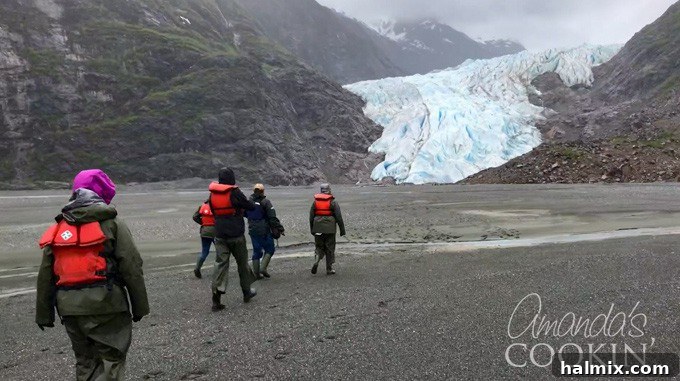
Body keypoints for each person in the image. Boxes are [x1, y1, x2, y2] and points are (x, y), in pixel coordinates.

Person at [35, 169, 149, 381]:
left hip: (69, 308)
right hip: (106, 304)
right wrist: (140, 306)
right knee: (112, 358)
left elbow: (45, 274)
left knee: (86, 361)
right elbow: (131, 266)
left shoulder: (59, 227)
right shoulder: (113, 224)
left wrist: (44, 314)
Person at [208, 168, 258, 311]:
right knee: (242, 264)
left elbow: (212, 209)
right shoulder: (234, 192)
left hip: (220, 235)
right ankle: (246, 292)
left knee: (220, 265)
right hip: (236, 235)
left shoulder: (212, 194)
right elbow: (250, 206)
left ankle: (216, 299)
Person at [245, 183, 285, 279]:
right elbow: (272, 218)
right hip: (264, 230)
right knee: (270, 249)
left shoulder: (248, 202)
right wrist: (280, 228)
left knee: (256, 251)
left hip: (252, 230)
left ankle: (256, 274)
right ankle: (263, 268)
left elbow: (245, 214)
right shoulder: (266, 202)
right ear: (263, 191)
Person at [309, 183, 345, 275]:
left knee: (319, 246)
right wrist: (342, 230)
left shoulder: (315, 202)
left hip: (317, 227)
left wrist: (312, 229)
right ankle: (329, 269)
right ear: (329, 190)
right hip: (330, 229)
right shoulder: (333, 202)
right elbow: (339, 217)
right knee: (329, 248)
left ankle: (317, 260)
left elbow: (311, 217)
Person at [192, 200, 215, 278]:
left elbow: (195, 217)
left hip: (204, 231)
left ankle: (197, 268)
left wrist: (203, 223)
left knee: (204, 251)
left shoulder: (202, 206)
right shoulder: (218, 206)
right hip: (216, 231)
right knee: (220, 252)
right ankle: (219, 270)